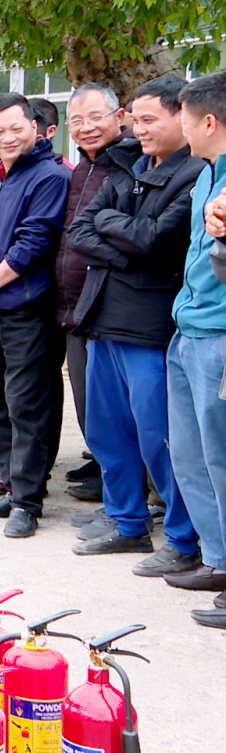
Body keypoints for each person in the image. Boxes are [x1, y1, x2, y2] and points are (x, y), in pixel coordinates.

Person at [66, 75, 205, 566]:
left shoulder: (195, 175)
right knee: (107, 433)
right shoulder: (131, 165)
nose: (138, 129)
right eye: (135, 119)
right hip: (101, 317)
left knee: (162, 441)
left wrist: (120, 238)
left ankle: (184, 541)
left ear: (181, 119)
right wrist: (124, 247)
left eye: (150, 120)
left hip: (149, 327)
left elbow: (156, 241)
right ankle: (126, 523)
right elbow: (81, 229)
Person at [0, 92, 71, 538]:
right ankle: (9, 480)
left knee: (27, 404)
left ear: (36, 129)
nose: (6, 137)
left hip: (25, 310)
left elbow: (34, 243)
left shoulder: (49, 178)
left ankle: (28, 500)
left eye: (16, 128)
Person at [164, 72, 226, 628]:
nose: (180, 125)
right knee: (193, 456)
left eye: (182, 116)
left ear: (208, 121)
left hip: (221, 336)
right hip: (189, 328)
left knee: (223, 457)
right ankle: (219, 560)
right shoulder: (207, 176)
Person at [53, 84, 135, 499]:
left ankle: (124, 489)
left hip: (109, 304)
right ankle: (105, 470)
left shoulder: (131, 163)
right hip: (71, 304)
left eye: (96, 117)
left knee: (114, 407)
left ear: (120, 116)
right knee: (88, 402)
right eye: (78, 121)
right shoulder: (80, 169)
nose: (86, 128)